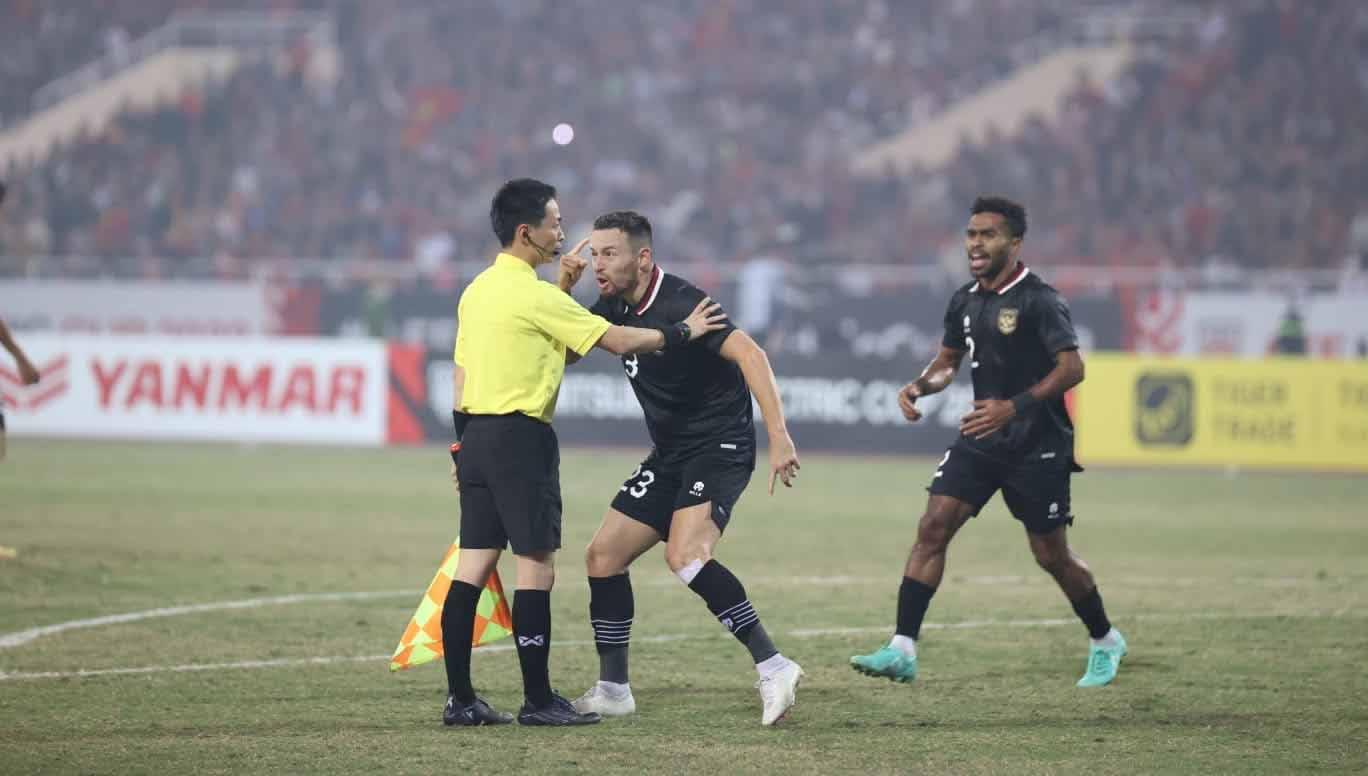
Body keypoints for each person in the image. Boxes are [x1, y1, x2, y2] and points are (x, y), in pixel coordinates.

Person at [441, 179, 727, 728]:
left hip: (473, 437)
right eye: (554, 222)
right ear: (527, 231)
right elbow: (617, 339)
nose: (562, 231)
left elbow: (462, 372)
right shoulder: (536, 295)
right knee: (536, 566)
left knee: (473, 563)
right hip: (520, 439)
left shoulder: (476, 290)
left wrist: (460, 451)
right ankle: (538, 700)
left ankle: (461, 699)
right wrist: (683, 331)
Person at [850, 196, 1126, 688]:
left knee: (1051, 556)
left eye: (988, 235)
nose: (975, 244)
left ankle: (1105, 639)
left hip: (1037, 443)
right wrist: (919, 386)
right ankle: (902, 649)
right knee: (933, 526)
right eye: (971, 235)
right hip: (982, 437)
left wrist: (1013, 406)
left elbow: (1073, 368)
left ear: (1015, 243)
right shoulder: (965, 300)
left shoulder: (1040, 299)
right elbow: (947, 362)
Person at [558, 210, 804, 726]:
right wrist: (564, 289)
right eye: (594, 253)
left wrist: (779, 435)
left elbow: (751, 355)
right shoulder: (612, 302)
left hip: (720, 445)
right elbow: (568, 354)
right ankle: (613, 689)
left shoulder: (684, 302)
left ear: (642, 258)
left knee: (686, 555)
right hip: (671, 452)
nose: (597, 264)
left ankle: (775, 665)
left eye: (609, 254)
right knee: (603, 556)